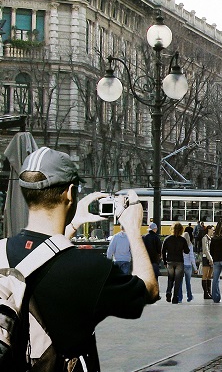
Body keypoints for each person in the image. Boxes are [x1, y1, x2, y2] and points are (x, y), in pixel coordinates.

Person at [0, 147, 157, 370]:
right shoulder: (90, 269)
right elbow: (148, 289)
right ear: (70, 193)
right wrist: (132, 228)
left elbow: (39, 257)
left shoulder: (1, 253)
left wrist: (71, 226)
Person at [162, 222, 190, 304]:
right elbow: (187, 251)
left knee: (170, 278)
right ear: (181, 230)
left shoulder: (167, 239)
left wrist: (164, 261)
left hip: (170, 261)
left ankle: (168, 292)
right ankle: (175, 298)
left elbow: (163, 251)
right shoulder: (182, 240)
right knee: (178, 280)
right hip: (179, 262)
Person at [179, 232, 196, 302]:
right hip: (188, 266)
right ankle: (189, 296)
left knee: (180, 283)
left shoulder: (180, 244)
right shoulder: (190, 245)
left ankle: (180, 298)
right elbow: (192, 257)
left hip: (181, 265)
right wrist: (195, 268)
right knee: (188, 282)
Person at [200, 226, 214, 299]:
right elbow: (205, 249)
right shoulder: (205, 238)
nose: (213, 231)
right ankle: (206, 293)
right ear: (209, 230)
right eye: (212, 229)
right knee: (205, 275)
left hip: (211, 257)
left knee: (209, 275)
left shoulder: (212, 238)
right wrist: (210, 259)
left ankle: (209, 291)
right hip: (206, 257)